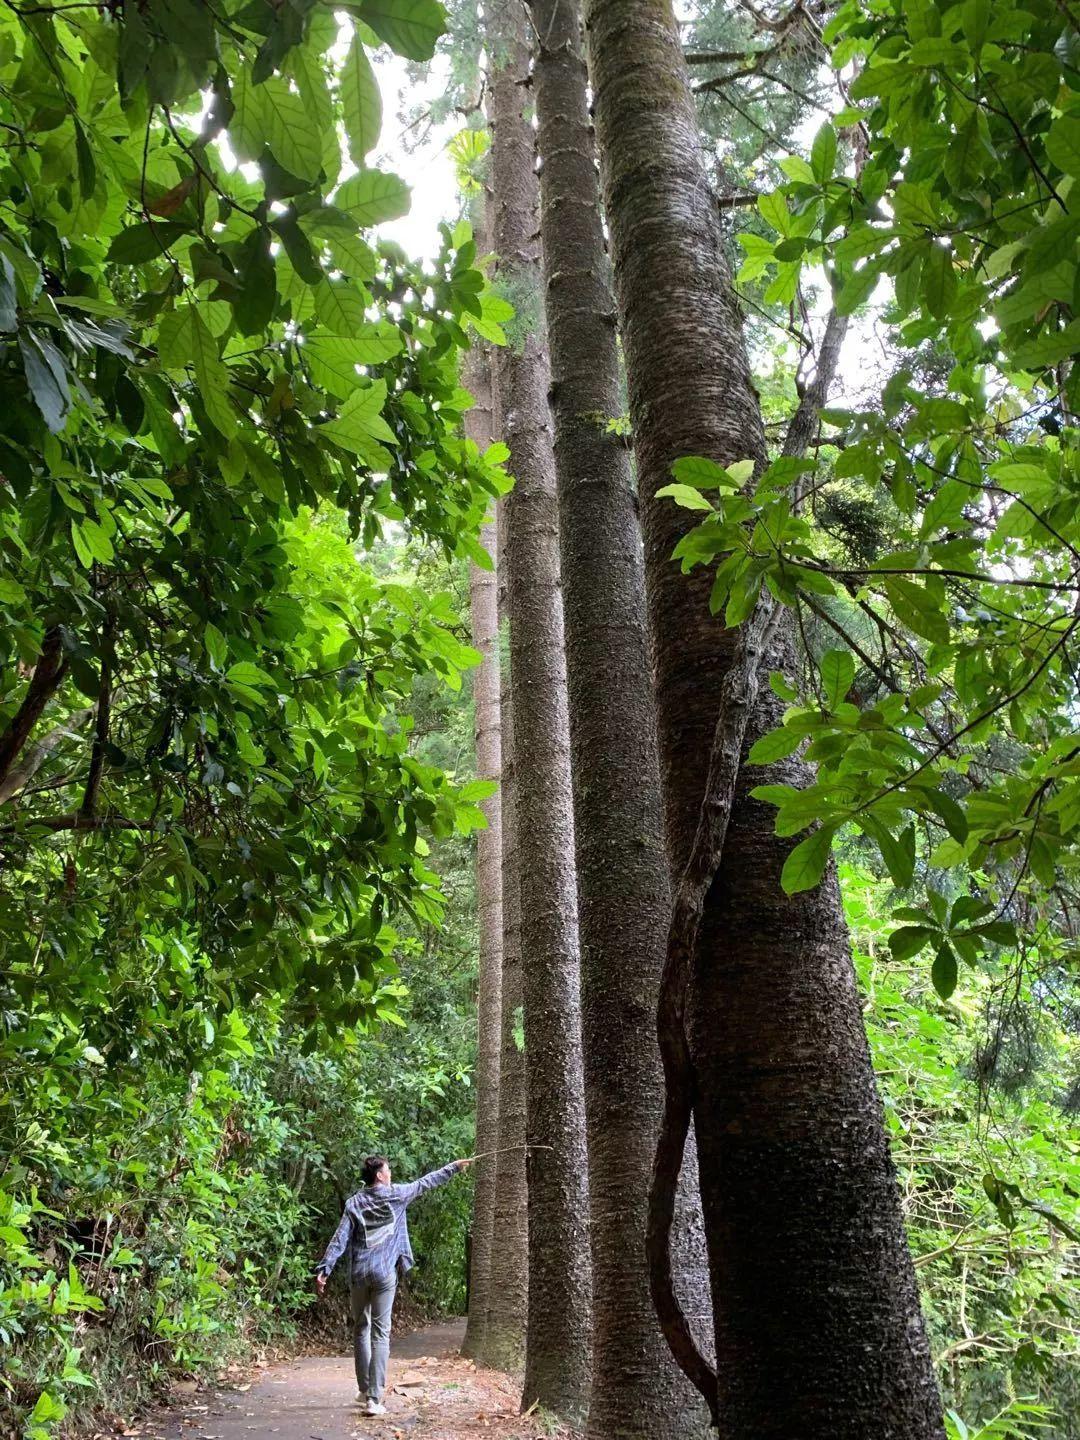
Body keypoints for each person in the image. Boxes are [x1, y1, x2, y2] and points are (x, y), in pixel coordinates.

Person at [315, 1153, 472, 1417]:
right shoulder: (397, 1195)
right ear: (379, 1175)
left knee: (360, 1329)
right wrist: (454, 1167)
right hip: (384, 1274)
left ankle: (364, 1389)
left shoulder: (354, 1203)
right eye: (388, 1170)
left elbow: (339, 1238)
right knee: (380, 1333)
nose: (390, 1173)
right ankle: (374, 1399)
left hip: (360, 1275)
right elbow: (426, 1182)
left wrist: (324, 1269)